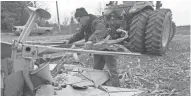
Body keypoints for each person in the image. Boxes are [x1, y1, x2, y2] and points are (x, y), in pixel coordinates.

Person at [63, 7, 120, 87]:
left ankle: (117, 89)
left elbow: (101, 31)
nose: (79, 23)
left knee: (112, 71)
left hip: (107, 49)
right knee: (96, 70)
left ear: (84, 16)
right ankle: (100, 87)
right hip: (98, 50)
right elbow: (79, 35)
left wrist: (90, 40)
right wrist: (69, 40)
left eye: (79, 20)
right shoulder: (85, 26)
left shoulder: (96, 21)